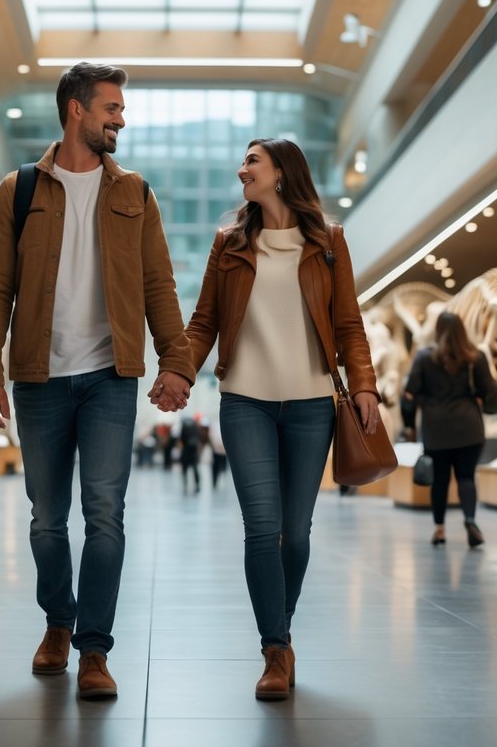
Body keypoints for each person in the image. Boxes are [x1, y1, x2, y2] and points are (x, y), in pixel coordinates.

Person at [0, 61, 194, 701]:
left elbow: (159, 284)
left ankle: (94, 648)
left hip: (108, 379)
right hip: (39, 379)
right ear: (77, 110)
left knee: (105, 515)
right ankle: (57, 622)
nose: (120, 119)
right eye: (111, 108)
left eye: (120, 110)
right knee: (47, 519)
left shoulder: (135, 194)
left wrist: (176, 362)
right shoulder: (18, 191)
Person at [184, 137, 380, 701]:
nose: (241, 169)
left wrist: (363, 384)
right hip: (245, 399)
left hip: (312, 403)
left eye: (252, 161)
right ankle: (275, 648)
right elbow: (204, 323)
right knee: (261, 529)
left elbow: (349, 325)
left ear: (281, 174)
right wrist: (178, 373)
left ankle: (282, 630)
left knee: (296, 536)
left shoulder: (328, 243)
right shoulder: (229, 245)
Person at [402, 311, 497, 548]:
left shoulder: (424, 358)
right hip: (469, 428)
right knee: (466, 477)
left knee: (440, 481)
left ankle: (439, 530)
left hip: (436, 431)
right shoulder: (474, 357)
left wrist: (409, 424)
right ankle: (469, 520)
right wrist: (484, 404)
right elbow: (492, 391)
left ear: (437, 330)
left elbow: (409, 394)